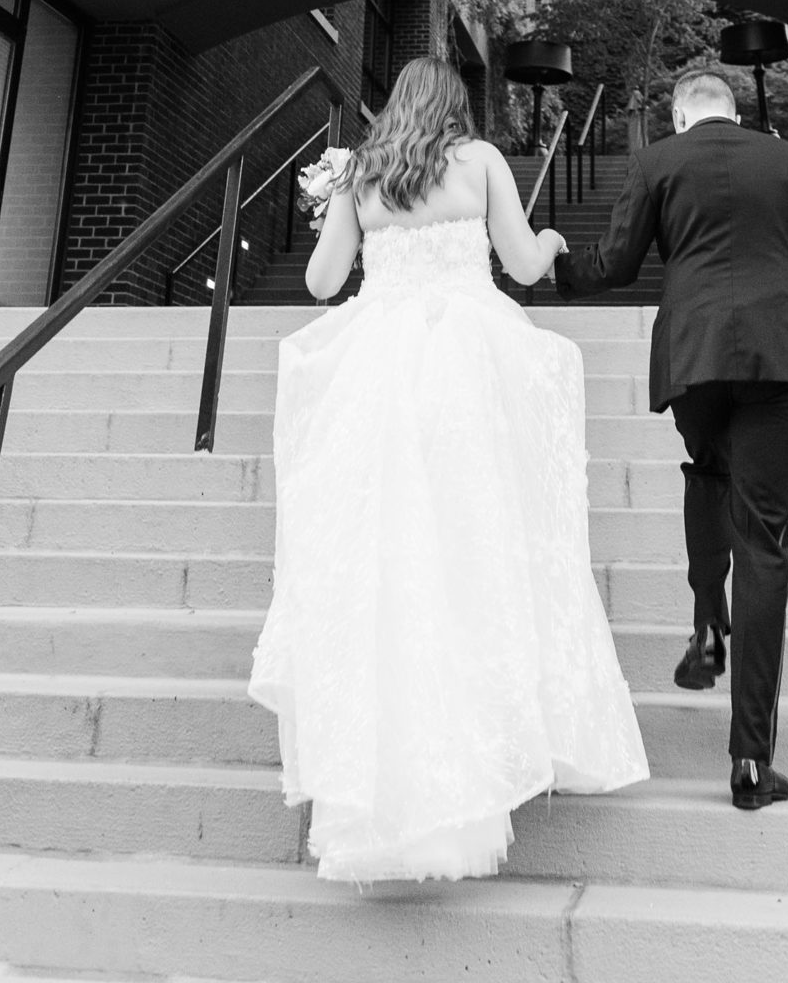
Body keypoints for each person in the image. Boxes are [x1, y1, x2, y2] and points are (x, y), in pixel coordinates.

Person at [248, 56, 649, 884]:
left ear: (394, 106)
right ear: (457, 107)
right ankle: (487, 748)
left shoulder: (364, 170)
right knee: (479, 550)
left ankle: (386, 771)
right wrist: (549, 237)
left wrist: (336, 211)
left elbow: (323, 281)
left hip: (379, 374)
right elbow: (525, 265)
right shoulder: (483, 162)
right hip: (470, 367)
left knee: (388, 561)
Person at [556, 60, 788, 810]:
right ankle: (750, 761)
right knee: (762, 545)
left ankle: (705, 624)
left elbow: (617, 264)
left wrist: (558, 263)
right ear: (730, 108)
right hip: (777, 363)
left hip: (692, 361)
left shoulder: (657, 161)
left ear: (678, 115)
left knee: (706, 468)